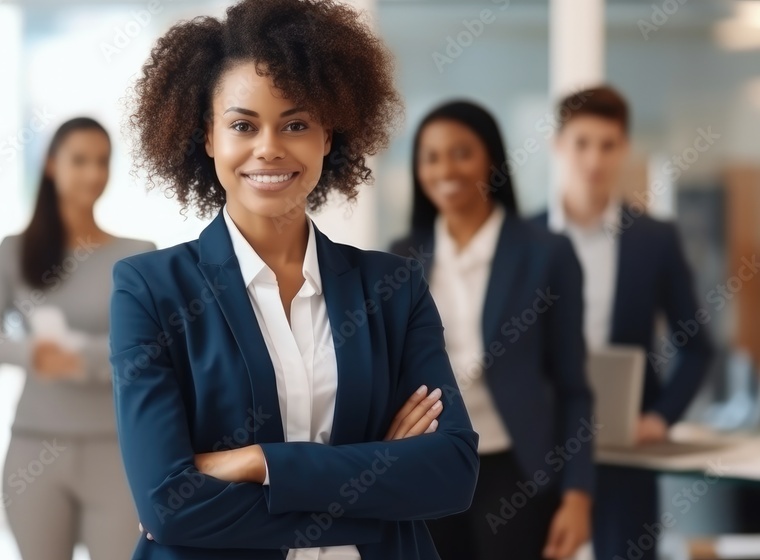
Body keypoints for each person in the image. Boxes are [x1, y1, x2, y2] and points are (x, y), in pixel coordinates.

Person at [109, 0, 480, 558]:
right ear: (207, 136)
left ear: (328, 136)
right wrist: (379, 491)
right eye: (242, 125)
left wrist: (263, 463)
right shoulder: (150, 290)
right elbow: (171, 508)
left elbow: (451, 471)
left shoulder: (393, 288)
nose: (269, 148)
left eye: (296, 124)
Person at [389, 100, 594, 560]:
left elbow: (573, 387)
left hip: (515, 469)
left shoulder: (546, 253)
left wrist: (579, 495)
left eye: (462, 152)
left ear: (492, 160)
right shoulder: (402, 257)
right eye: (431, 156)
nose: (446, 168)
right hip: (429, 467)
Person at [532, 85, 715, 560]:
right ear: (558, 146)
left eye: (608, 145)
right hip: (537, 452)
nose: (594, 159)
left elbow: (696, 346)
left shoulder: (655, 239)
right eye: (582, 143)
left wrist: (660, 418)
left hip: (624, 454)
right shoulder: (523, 239)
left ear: (624, 148)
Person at [0, 117, 154, 560]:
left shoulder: (138, 255)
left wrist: (83, 359)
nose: (93, 173)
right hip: (35, 447)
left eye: (103, 161)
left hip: (116, 450)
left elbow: (150, 349)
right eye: (80, 160)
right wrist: (32, 352)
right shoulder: (15, 250)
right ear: (51, 165)